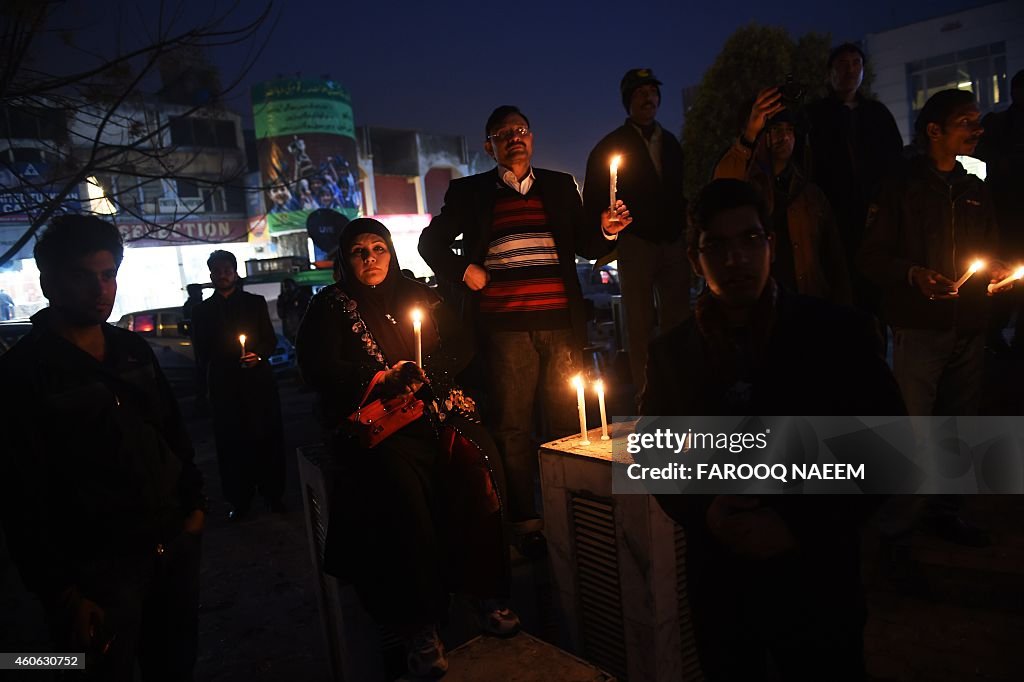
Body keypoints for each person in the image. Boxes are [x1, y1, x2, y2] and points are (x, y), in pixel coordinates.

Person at [642, 178, 905, 680]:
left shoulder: (835, 333)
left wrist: (800, 522)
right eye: (716, 246)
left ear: (772, 245)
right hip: (722, 586)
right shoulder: (673, 353)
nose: (735, 258)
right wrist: (706, 508)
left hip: (818, 580)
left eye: (749, 239)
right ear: (696, 259)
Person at [297, 218, 518, 679]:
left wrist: (428, 376)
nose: (371, 258)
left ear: (392, 252)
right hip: (382, 428)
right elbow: (318, 368)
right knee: (401, 492)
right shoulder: (329, 307)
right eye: (360, 251)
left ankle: (484, 591)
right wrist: (383, 379)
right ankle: (420, 623)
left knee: (479, 462)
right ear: (345, 259)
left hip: (436, 413)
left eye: (379, 248)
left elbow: (458, 341)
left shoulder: (419, 293)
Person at [419, 105, 631, 558]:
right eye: (503, 133)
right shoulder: (471, 192)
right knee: (513, 428)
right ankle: (526, 521)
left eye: (520, 130)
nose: (514, 138)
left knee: (564, 422)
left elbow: (585, 246)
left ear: (531, 139)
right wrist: (464, 269)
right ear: (488, 146)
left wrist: (608, 233)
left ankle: (567, 508)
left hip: (559, 324)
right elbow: (429, 243)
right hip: (505, 329)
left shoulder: (559, 186)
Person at [0, 215, 205, 681]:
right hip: (95, 572)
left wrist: (194, 508)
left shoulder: (134, 352)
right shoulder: (25, 374)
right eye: (82, 275)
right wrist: (63, 593)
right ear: (48, 282)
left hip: (169, 548)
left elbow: (174, 434)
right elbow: (21, 494)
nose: (100, 289)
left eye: (108, 274)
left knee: (174, 666)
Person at [859, 89, 1007, 547]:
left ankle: (946, 511)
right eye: (966, 122)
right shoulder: (899, 188)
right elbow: (870, 256)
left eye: (978, 121)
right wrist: (913, 274)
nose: (978, 130)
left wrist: (997, 271)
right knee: (913, 429)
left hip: (969, 324)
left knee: (958, 426)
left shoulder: (974, 188)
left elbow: (990, 249)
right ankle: (896, 524)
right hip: (918, 329)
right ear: (934, 131)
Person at [583, 68, 689, 394]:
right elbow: (593, 202)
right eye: (640, 93)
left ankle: (681, 392)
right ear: (628, 101)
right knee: (639, 325)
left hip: (672, 242)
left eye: (653, 92)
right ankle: (648, 397)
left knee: (679, 322)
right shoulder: (610, 146)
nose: (649, 98)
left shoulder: (670, 142)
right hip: (636, 243)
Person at [714, 93, 851, 304]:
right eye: (775, 129)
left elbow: (834, 257)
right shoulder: (748, 186)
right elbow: (723, 189)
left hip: (807, 303)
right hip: (761, 306)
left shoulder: (810, 194)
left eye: (789, 130)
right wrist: (749, 135)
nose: (784, 137)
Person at [806, 43, 904, 315]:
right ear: (830, 72)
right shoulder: (815, 115)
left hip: (876, 214)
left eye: (856, 63)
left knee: (875, 287)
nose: (850, 69)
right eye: (843, 63)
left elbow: (895, 161)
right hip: (833, 214)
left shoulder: (877, 114)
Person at [191, 250, 286, 521]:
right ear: (211, 274)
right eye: (217, 271)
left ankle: (273, 494)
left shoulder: (254, 303)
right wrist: (205, 388)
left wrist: (259, 355)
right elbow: (202, 353)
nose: (222, 275)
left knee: (266, 438)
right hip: (225, 386)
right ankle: (238, 498)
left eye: (227, 270)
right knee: (231, 444)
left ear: (235, 272)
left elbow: (269, 339)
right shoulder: (202, 311)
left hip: (258, 384)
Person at [976, 70, 1024, 358]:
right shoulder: (999, 124)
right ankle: (994, 335)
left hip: (1007, 210)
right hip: (1006, 211)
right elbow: (985, 156)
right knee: (1005, 279)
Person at [277, 278, 312, 344]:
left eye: (288, 286)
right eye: (285, 286)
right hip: (290, 331)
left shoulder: (302, 296)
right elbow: (281, 314)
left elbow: (306, 311)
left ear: (294, 285)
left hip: (302, 329)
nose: (286, 288)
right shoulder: (283, 299)